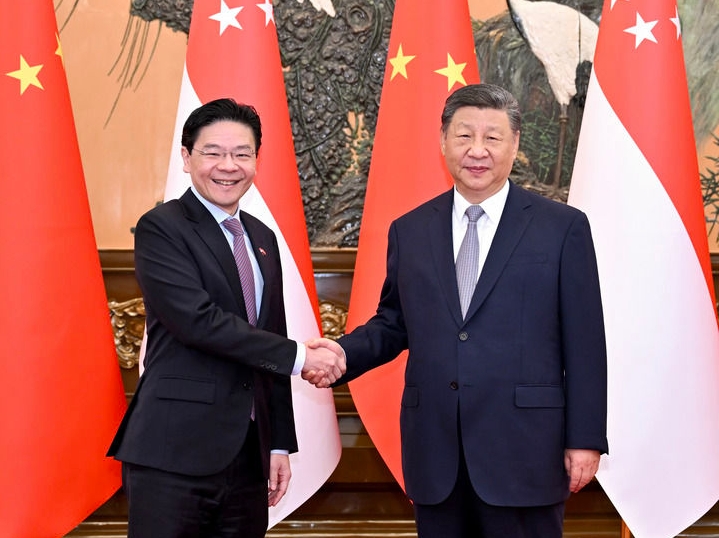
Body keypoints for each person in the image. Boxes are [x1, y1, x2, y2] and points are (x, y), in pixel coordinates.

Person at [309, 83, 608, 538]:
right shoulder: (410, 230)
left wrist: (584, 438)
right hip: (437, 454)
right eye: (464, 135)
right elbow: (395, 323)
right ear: (443, 141)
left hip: (526, 451)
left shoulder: (561, 228)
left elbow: (584, 342)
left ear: (514, 145)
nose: (477, 150)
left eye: (493, 137)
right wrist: (342, 354)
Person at [108, 98, 345, 538]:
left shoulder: (261, 236)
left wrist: (277, 443)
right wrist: (301, 357)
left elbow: (270, 336)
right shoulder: (162, 227)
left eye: (242, 154)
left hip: (248, 457)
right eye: (213, 152)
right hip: (173, 452)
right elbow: (198, 322)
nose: (228, 166)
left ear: (256, 161)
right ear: (186, 158)